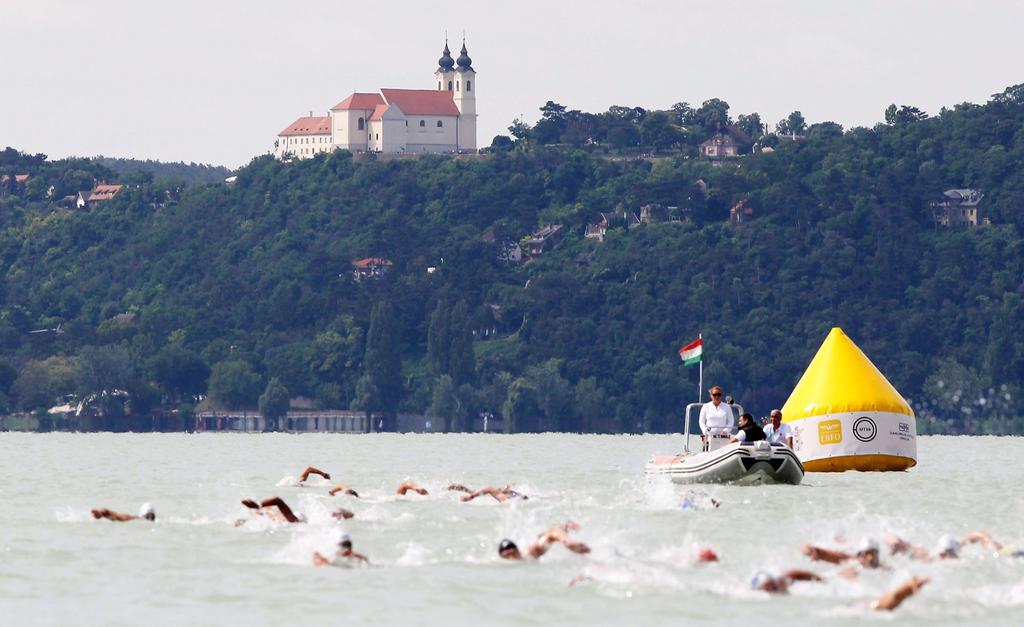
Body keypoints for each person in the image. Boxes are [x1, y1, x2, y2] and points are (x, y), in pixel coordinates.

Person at [498, 522, 590, 561]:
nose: (511, 558)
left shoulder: (530, 553)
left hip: (554, 533)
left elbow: (553, 533)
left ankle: (566, 527)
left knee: (548, 535)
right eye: (506, 556)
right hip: (547, 535)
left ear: (517, 550)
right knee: (541, 536)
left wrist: (567, 542)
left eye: (513, 553)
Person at [801, 537, 884, 571]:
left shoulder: (881, 565)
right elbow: (804, 546)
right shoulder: (848, 560)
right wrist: (809, 551)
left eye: (873, 553)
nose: (870, 558)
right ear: (859, 555)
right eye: (866, 554)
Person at [750, 569, 824, 593]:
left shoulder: (781, 582)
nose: (771, 588)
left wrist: (819, 579)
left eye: (772, 585)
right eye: (767, 587)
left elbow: (795, 573)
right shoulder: (756, 592)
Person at [240, 496, 305, 523]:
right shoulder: (291, 520)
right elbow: (278, 500)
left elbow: (277, 500)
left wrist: (258, 506)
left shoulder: (292, 521)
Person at [448, 484, 528, 502]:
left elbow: (488, 488)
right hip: (519, 498)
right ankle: (451, 487)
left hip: (515, 499)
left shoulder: (500, 495)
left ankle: (451, 487)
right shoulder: (498, 494)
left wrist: (470, 497)